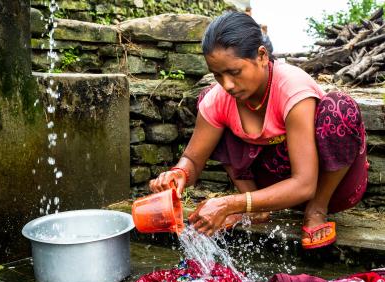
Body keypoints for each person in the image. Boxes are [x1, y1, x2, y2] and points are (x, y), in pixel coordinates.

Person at [149, 12, 368, 250]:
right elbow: (193, 158)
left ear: (262, 56)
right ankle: (257, 212)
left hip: (329, 187)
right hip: (269, 191)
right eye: (217, 75)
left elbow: (305, 184)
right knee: (208, 100)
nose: (227, 85)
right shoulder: (219, 98)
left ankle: (316, 211)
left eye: (234, 72)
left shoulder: (292, 88)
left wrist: (230, 204)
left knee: (340, 108)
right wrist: (179, 173)